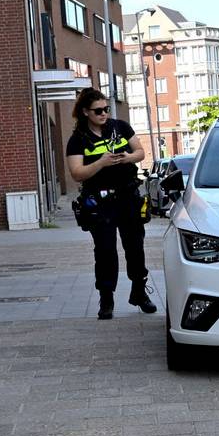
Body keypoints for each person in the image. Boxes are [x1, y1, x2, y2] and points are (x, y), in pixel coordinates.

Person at [66, 88, 157, 320]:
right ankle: (106, 298)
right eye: (98, 111)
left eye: (106, 109)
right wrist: (102, 162)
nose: (104, 114)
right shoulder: (78, 140)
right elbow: (77, 173)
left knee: (135, 247)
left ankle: (139, 292)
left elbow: (140, 152)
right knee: (105, 251)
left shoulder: (120, 127)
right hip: (100, 202)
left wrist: (127, 158)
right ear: (86, 112)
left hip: (128, 196)